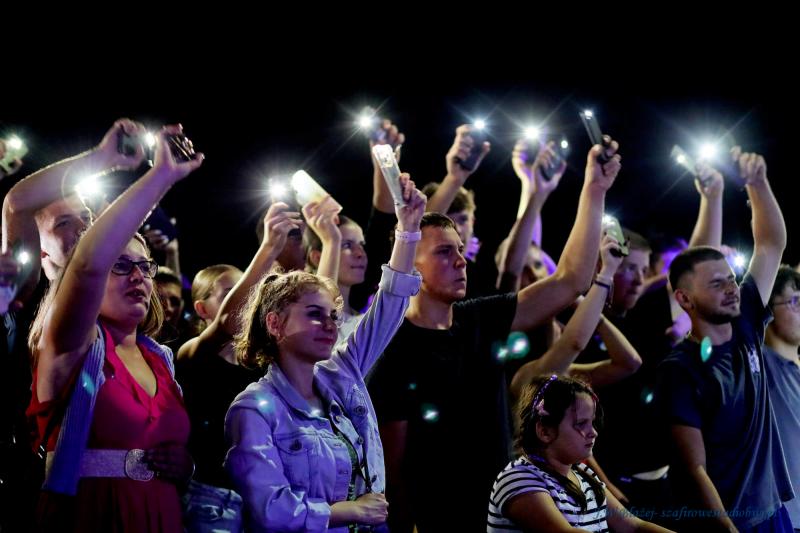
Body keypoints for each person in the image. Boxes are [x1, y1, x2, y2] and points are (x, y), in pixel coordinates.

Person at [224, 174, 426, 532]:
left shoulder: (342, 374)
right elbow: (271, 510)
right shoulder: (253, 409)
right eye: (314, 314)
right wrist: (351, 512)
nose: (330, 325)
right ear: (275, 323)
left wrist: (408, 229)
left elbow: (391, 301)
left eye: (333, 315)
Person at [27, 125, 202, 531]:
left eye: (144, 266)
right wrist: (161, 176)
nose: (138, 276)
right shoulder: (72, 341)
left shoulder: (160, 359)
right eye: (120, 265)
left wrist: (185, 465)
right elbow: (88, 265)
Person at [657, 148, 794, 531]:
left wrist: (757, 184)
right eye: (717, 284)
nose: (732, 288)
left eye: (731, 279)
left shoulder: (746, 315)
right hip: (729, 521)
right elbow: (694, 468)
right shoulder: (680, 369)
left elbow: (770, 244)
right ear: (685, 299)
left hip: (772, 510)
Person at [488, 374, 674, 532]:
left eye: (591, 422)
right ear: (544, 432)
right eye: (581, 424)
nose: (593, 432)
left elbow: (633, 525)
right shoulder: (519, 479)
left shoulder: (584, 476)